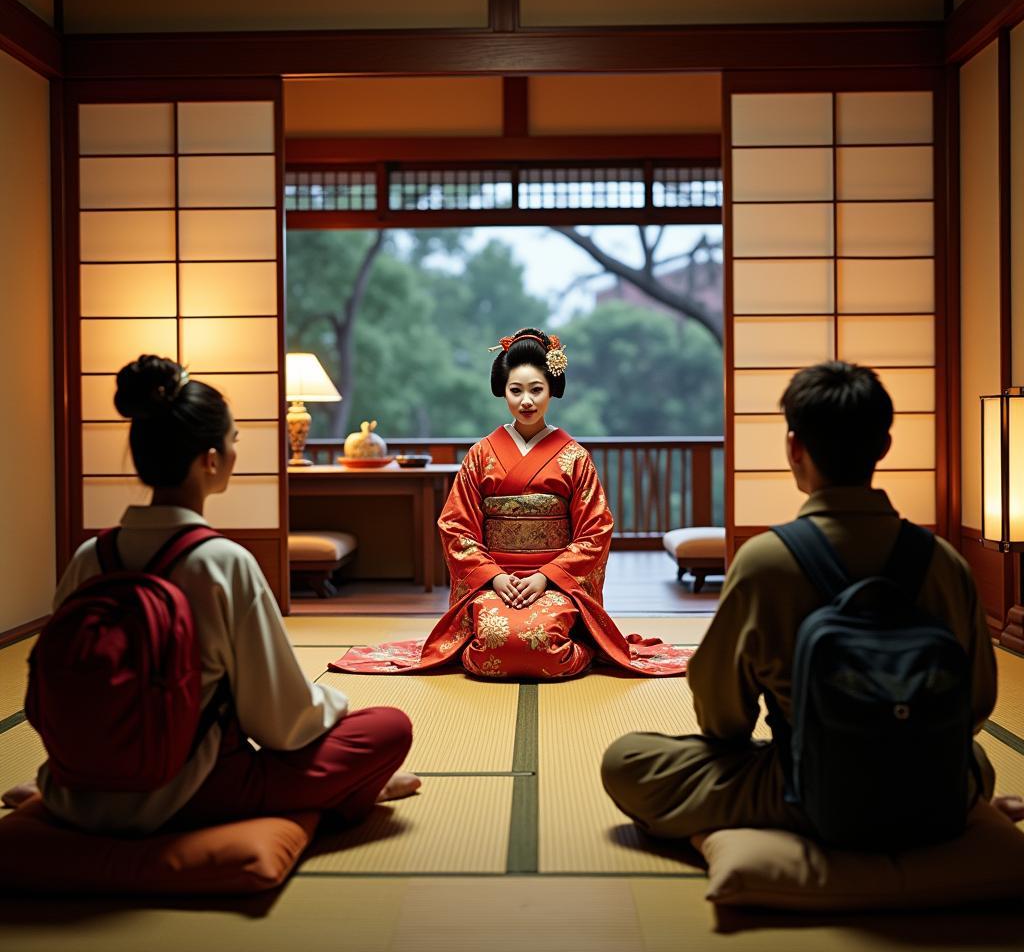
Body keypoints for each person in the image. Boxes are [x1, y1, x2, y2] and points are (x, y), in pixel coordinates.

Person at [601, 360, 1024, 840]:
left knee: (628, 761)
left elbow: (723, 720)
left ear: (794, 446)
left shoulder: (766, 560)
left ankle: (808, 823)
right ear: (884, 446)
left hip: (810, 784)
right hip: (926, 783)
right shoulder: (945, 563)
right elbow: (975, 704)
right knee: (979, 763)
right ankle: (953, 807)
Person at [6, 355, 420, 834]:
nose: (235, 453)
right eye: (233, 442)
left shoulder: (88, 557)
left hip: (80, 781)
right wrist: (333, 700)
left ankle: (51, 797)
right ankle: (354, 790)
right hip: (191, 790)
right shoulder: (222, 562)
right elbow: (282, 724)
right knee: (388, 729)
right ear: (210, 459)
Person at [332, 328, 691, 679]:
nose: (527, 401)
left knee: (541, 643)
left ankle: (588, 648)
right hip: (494, 581)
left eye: (536, 390)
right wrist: (495, 577)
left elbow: (595, 532)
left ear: (552, 391)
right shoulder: (481, 454)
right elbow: (456, 527)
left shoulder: (574, 457)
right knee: (496, 639)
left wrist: (545, 577)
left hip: (555, 582)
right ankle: (559, 642)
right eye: (515, 390)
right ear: (503, 392)